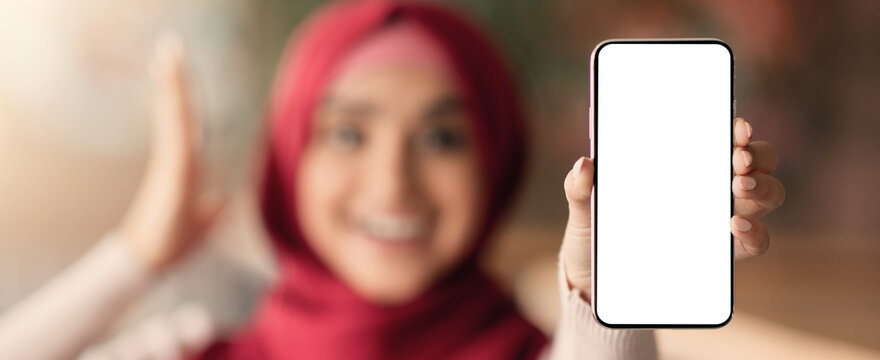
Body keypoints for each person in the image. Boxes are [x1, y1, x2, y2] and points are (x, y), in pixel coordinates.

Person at [0, 1, 785, 359]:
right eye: (347, 133)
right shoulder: (191, 351)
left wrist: (611, 287)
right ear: (288, 162)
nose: (393, 183)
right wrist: (136, 254)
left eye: (442, 137)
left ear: (495, 162)